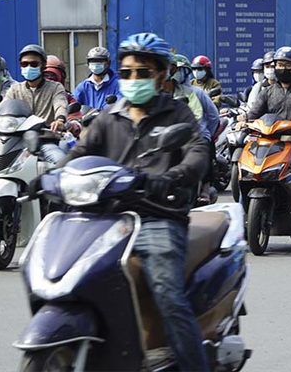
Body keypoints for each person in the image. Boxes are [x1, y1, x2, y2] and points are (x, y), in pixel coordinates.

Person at [58, 32, 210, 371]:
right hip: (103, 219)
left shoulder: (178, 115)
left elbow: (197, 155)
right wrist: (51, 175)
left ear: (160, 74)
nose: (133, 79)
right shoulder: (108, 118)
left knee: (168, 296)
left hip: (157, 217)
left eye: (142, 72)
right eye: (126, 72)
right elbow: (78, 154)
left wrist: (169, 178)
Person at [239, 46, 291, 247]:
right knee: (247, 176)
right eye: (279, 64)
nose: (282, 68)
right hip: (268, 142)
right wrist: (245, 121)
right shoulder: (268, 92)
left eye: (287, 65)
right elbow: (254, 113)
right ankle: (239, 226)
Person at [166, 53, 220, 204]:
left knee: (205, 150)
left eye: (177, 70)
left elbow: (213, 117)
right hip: (174, 136)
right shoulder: (165, 92)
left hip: (198, 134)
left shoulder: (196, 93)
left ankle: (205, 188)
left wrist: (206, 132)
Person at [4, 44, 68, 163]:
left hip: (45, 140)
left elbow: (61, 104)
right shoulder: (15, 89)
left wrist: (59, 120)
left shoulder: (55, 87)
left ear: (43, 66)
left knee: (62, 163)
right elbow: (2, 108)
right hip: (17, 142)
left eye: (34, 64)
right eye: (24, 64)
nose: (29, 67)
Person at [73, 46, 122, 111]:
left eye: (100, 61)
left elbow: (120, 105)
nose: (96, 64)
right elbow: (73, 105)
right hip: (86, 120)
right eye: (93, 61)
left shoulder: (118, 85)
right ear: (88, 64)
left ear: (108, 63)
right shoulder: (82, 87)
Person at [43, 55, 82, 138]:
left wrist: (71, 125)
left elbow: (75, 118)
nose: (49, 78)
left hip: (60, 139)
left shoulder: (68, 98)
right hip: (34, 137)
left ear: (61, 77)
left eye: (52, 75)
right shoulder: (33, 95)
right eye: (45, 75)